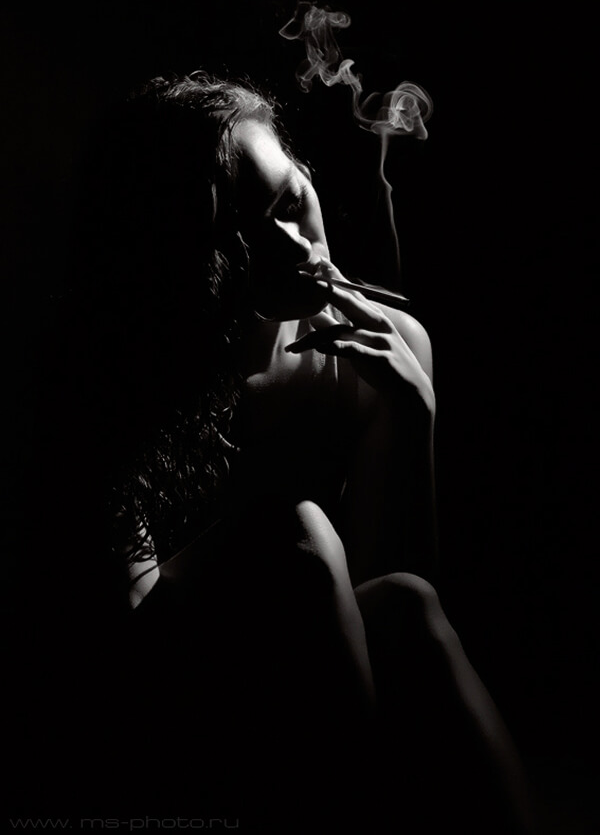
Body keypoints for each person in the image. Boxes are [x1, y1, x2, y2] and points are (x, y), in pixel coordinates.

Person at [30, 71, 536, 833]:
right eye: (244, 232)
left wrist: (411, 411)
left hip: (319, 686)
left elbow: (387, 591)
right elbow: (121, 629)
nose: (295, 246)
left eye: (293, 202)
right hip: (153, 704)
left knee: (408, 604)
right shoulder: (113, 371)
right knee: (297, 532)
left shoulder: (381, 350)